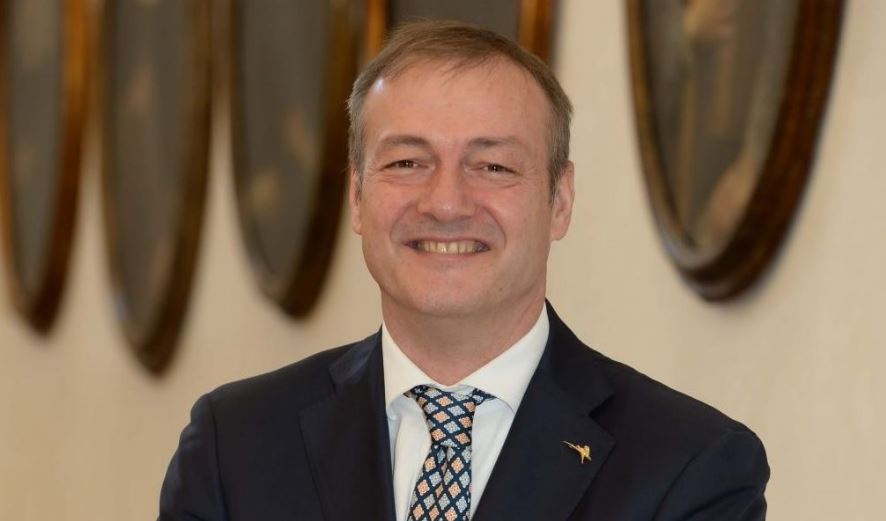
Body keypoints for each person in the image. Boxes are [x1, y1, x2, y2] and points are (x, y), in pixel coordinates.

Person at [159, 20, 769, 521]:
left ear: (559, 201)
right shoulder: (233, 447)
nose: (446, 203)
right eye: (407, 162)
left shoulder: (689, 467)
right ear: (357, 197)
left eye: (493, 167)